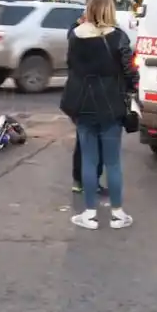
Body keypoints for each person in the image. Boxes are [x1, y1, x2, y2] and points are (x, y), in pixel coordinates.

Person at [60, 0, 138, 230]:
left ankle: (89, 214)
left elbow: (71, 65)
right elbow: (129, 71)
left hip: (82, 103)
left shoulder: (75, 35)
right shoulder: (119, 37)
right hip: (111, 104)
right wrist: (131, 89)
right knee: (113, 162)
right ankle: (117, 214)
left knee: (88, 160)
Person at [68, 13, 104, 194]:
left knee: (83, 140)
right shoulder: (105, 38)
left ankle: (78, 181)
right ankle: (92, 181)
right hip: (98, 96)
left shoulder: (75, 36)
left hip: (78, 95)